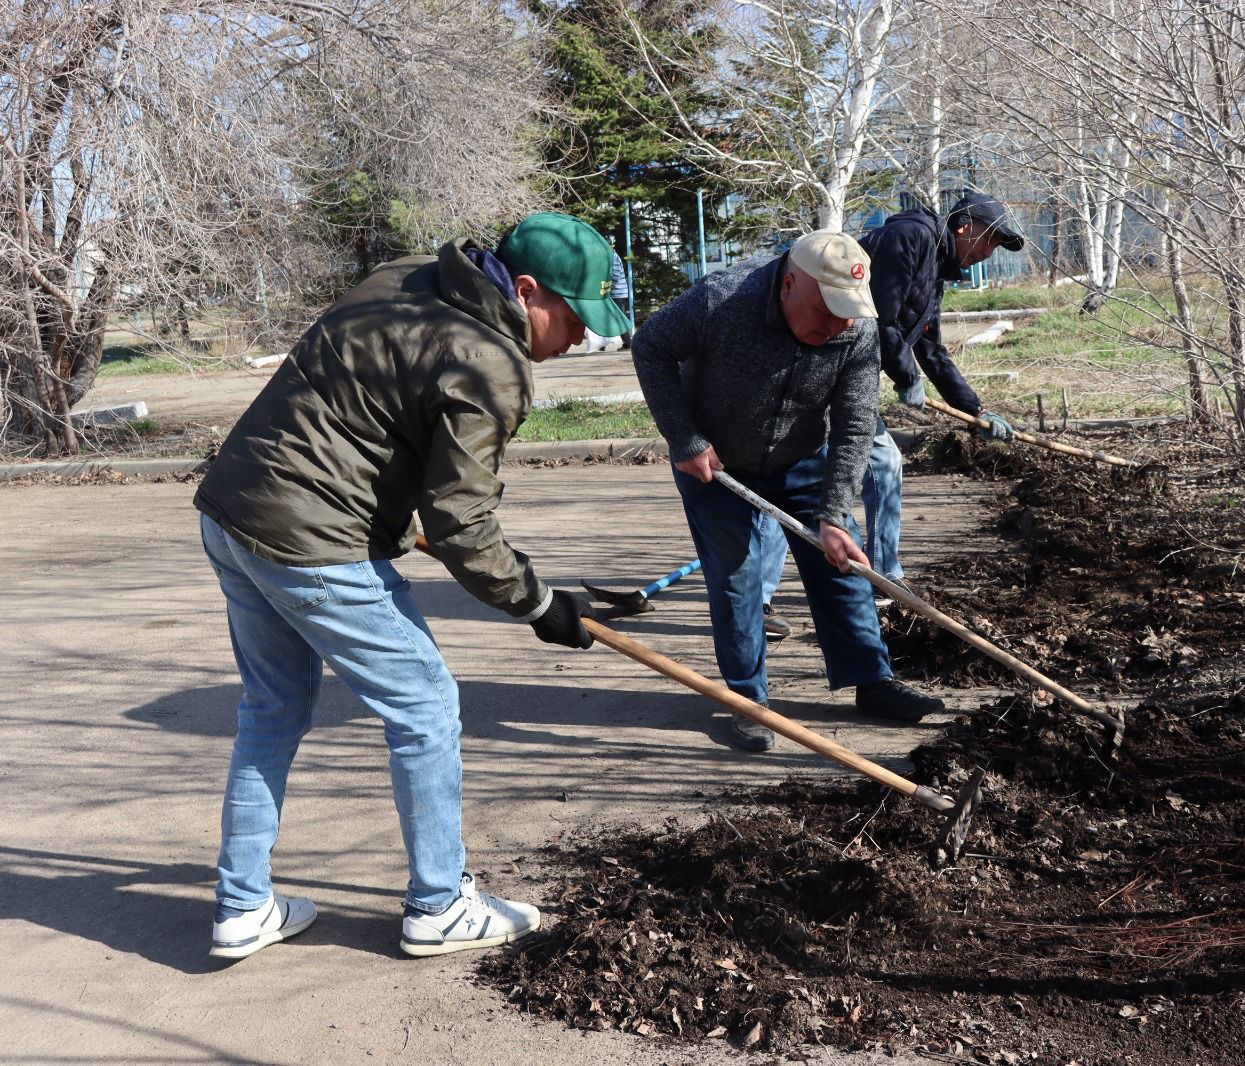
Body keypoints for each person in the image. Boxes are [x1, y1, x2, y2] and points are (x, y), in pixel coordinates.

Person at [193, 211, 627, 961]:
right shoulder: (492, 363)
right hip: (311, 539)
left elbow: (365, 410)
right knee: (426, 705)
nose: (581, 338)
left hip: (234, 509)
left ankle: (242, 904)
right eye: (574, 318)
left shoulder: (407, 274)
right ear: (525, 291)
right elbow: (460, 521)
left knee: (272, 708)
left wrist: (390, 509)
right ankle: (438, 904)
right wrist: (539, 603)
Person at [632, 230, 945, 752]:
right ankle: (749, 702)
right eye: (828, 310)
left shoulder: (856, 328)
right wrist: (684, 438)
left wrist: (834, 511)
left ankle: (873, 682)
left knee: (840, 562)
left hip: (804, 457)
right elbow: (651, 345)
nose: (839, 324)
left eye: (849, 311)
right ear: (790, 284)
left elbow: (855, 423)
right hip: (714, 462)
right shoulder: (722, 300)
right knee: (738, 579)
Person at [855, 191, 1022, 588]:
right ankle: (884, 577)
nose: (990, 252)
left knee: (802, 478)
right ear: (964, 227)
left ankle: (765, 596)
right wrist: (906, 376)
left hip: (850, 369)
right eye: (990, 240)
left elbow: (930, 346)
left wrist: (976, 409)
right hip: (825, 361)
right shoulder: (911, 238)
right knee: (878, 465)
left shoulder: (936, 271)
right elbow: (880, 316)